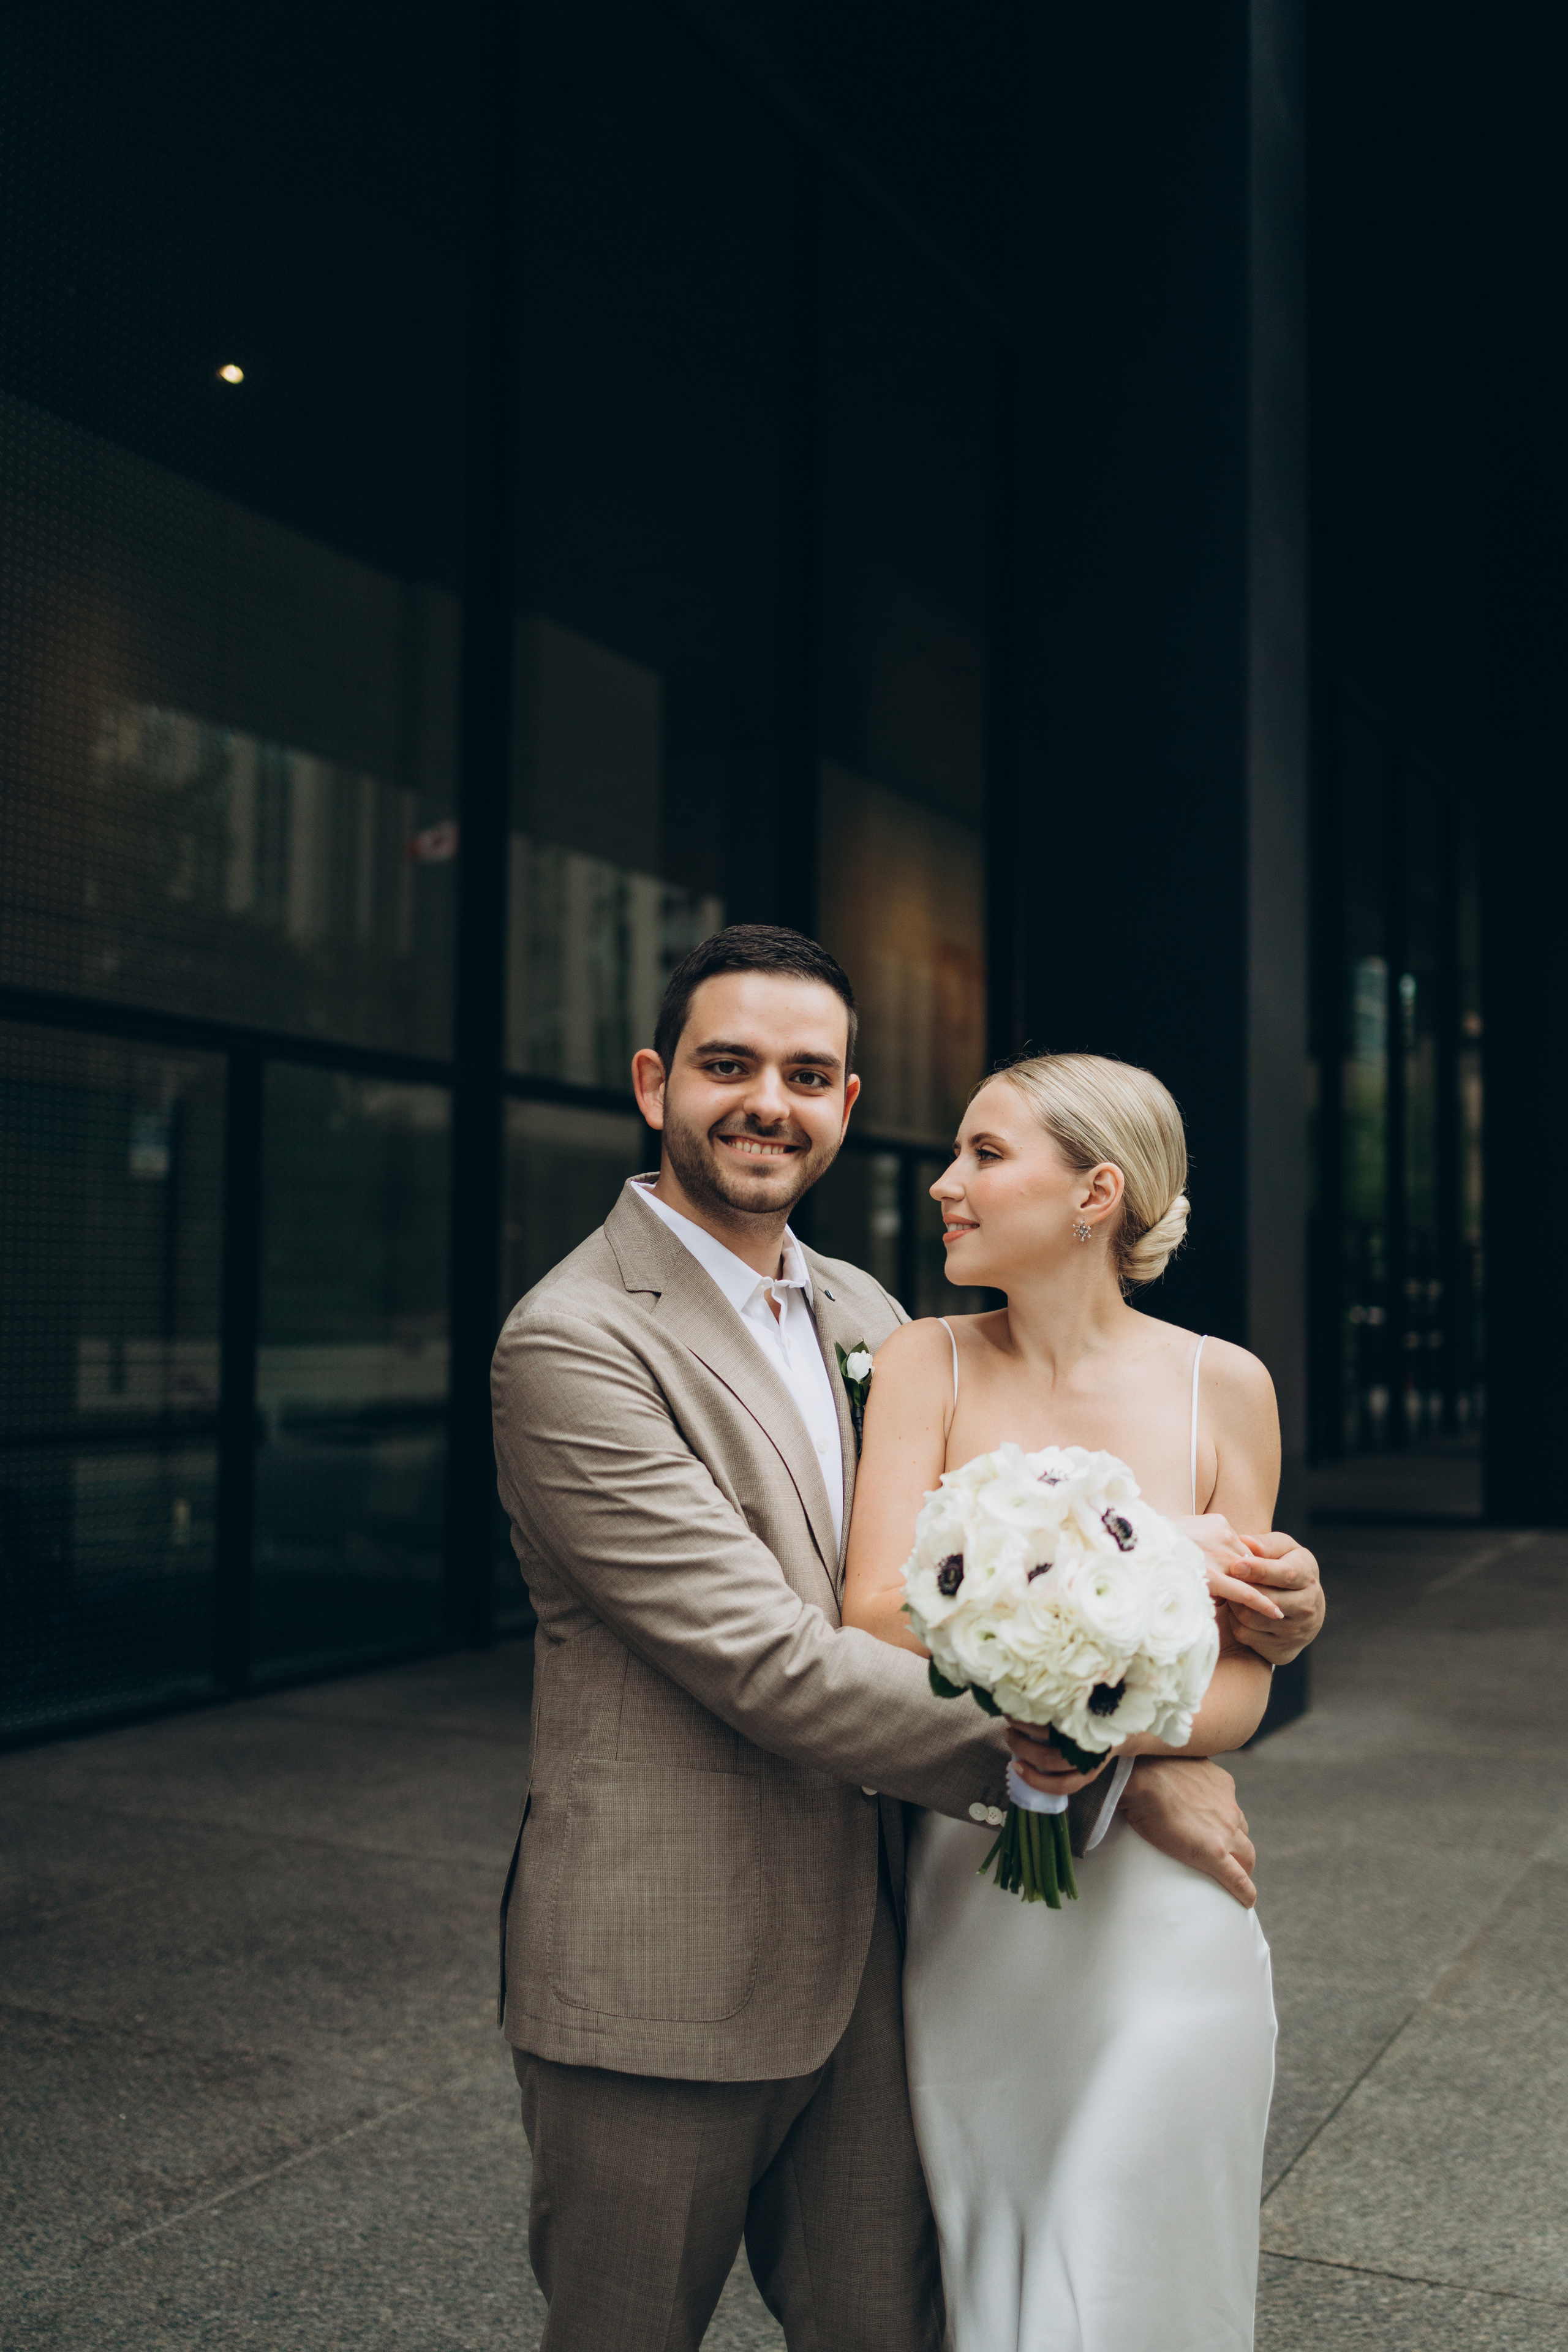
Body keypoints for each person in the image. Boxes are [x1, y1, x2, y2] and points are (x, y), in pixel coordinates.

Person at [491, 929, 1321, 2351]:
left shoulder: (866, 1317)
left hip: (882, 1952)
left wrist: (1244, 1633)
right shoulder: (570, 1342)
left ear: (844, 1103)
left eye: (806, 1075)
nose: (768, 1103)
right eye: (726, 1066)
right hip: (666, 1960)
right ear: (652, 1084)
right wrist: (1101, 1750)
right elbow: (767, 1651)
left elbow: (966, 1584)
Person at [842, 1050, 1317, 2352]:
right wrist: (1067, 1672)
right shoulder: (921, 1362)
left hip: (1160, 1914)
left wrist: (1114, 1737)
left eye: (984, 1154)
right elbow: (872, 1611)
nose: (945, 1183)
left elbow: (1235, 1683)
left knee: (1135, 2240)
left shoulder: (1222, 1385)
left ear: (1095, 1191)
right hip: (979, 1883)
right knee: (1007, 2247)